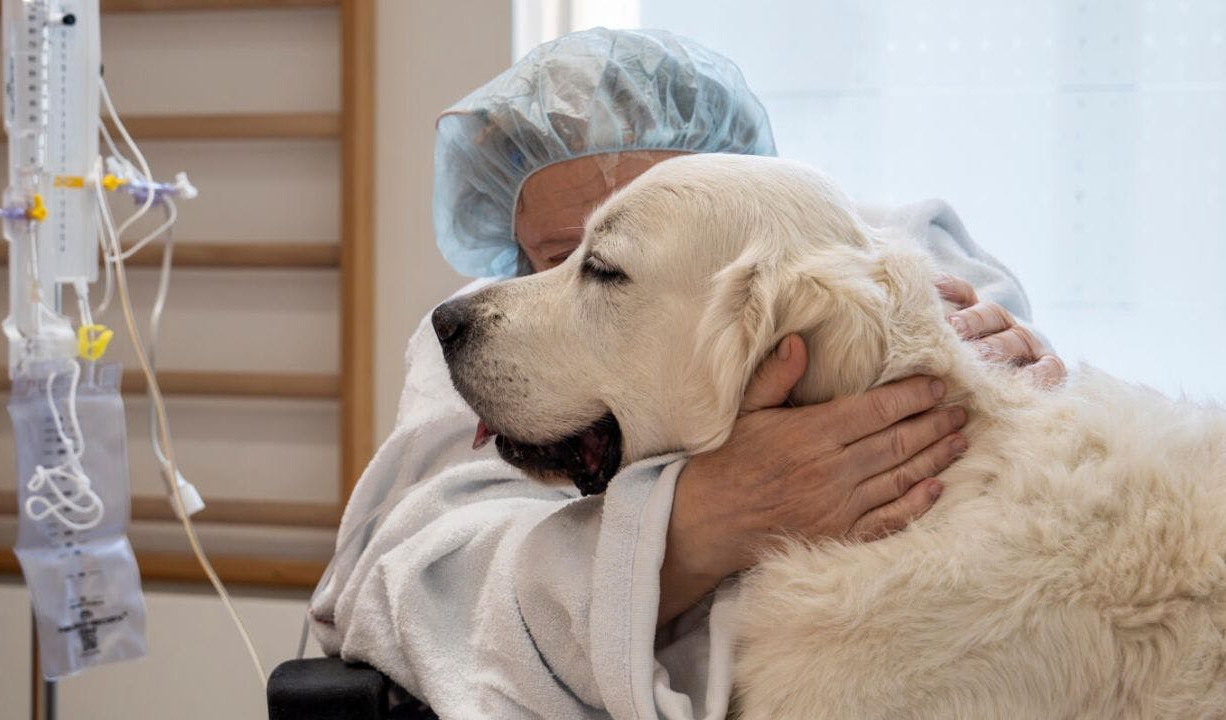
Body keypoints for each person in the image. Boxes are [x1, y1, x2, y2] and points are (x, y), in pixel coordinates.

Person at [309, 28, 1063, 719]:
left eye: (614, 261)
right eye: (557, 257)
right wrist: (688, 528)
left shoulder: (902, 267)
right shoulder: (483, 341)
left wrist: (1002, 385)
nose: (571, 276)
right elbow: (413, 587)